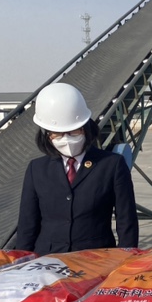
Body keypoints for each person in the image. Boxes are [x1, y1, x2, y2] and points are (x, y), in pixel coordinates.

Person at [16, 82, 138, 255]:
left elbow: (126, 220)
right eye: (57, 134)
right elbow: (27, 223)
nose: (66, 139)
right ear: (47, 135)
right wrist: (21, 259)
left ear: (86, 128)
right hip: (48, 258)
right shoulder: (36, 169)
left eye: (74, 132)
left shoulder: (111, 165)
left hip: (96, 258)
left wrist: (126, 257)